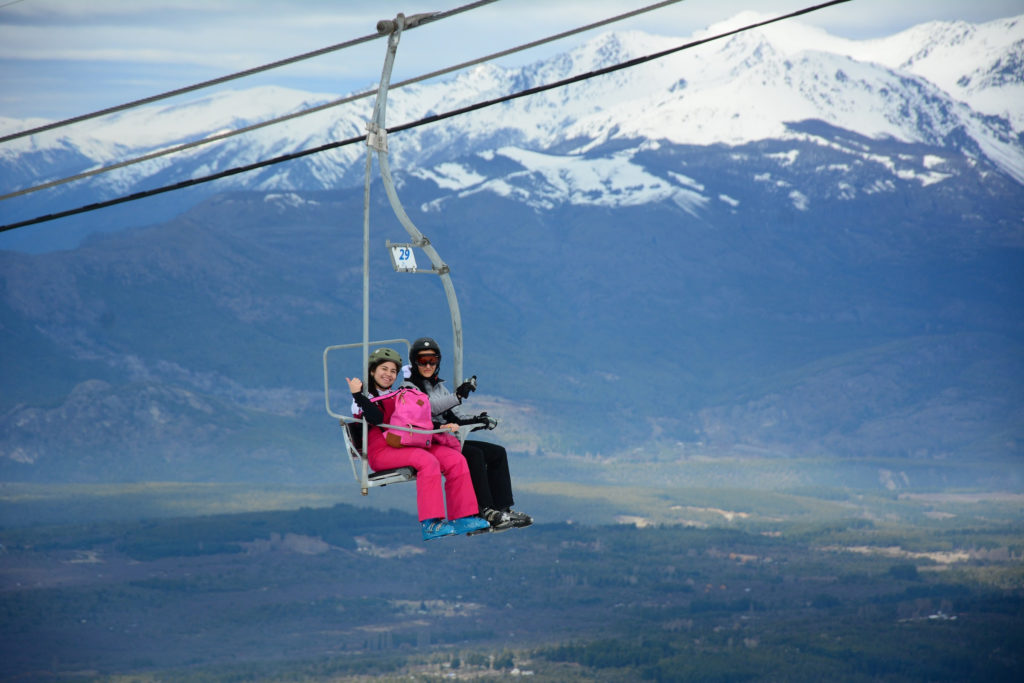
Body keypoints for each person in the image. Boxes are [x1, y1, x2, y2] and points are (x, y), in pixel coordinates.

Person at [348, 347, 489, 541]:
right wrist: (357, 394)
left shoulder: (399, 395)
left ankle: (462, 516)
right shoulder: (363, 399)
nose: (388, 374)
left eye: (393, 371)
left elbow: (417, 418)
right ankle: (431, 523)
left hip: (407, 442)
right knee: (427, 461)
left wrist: (442, 425)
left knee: (455, 459)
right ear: (372, 371)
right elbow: (376, 417)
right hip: (382, 450)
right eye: (384, 369)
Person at [405, 337, 532, 531]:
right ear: (415, 362)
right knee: (474, 455)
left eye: (433, 360)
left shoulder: (438, 387)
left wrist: (477, 420)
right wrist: (456, 396)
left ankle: (502, 508)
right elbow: (429, 409)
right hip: (432, 442)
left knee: (497, 452)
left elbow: (454, 415)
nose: (428, 365)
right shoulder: (409, 389)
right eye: (423, 361)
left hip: (449, 440)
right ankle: (484, 509)